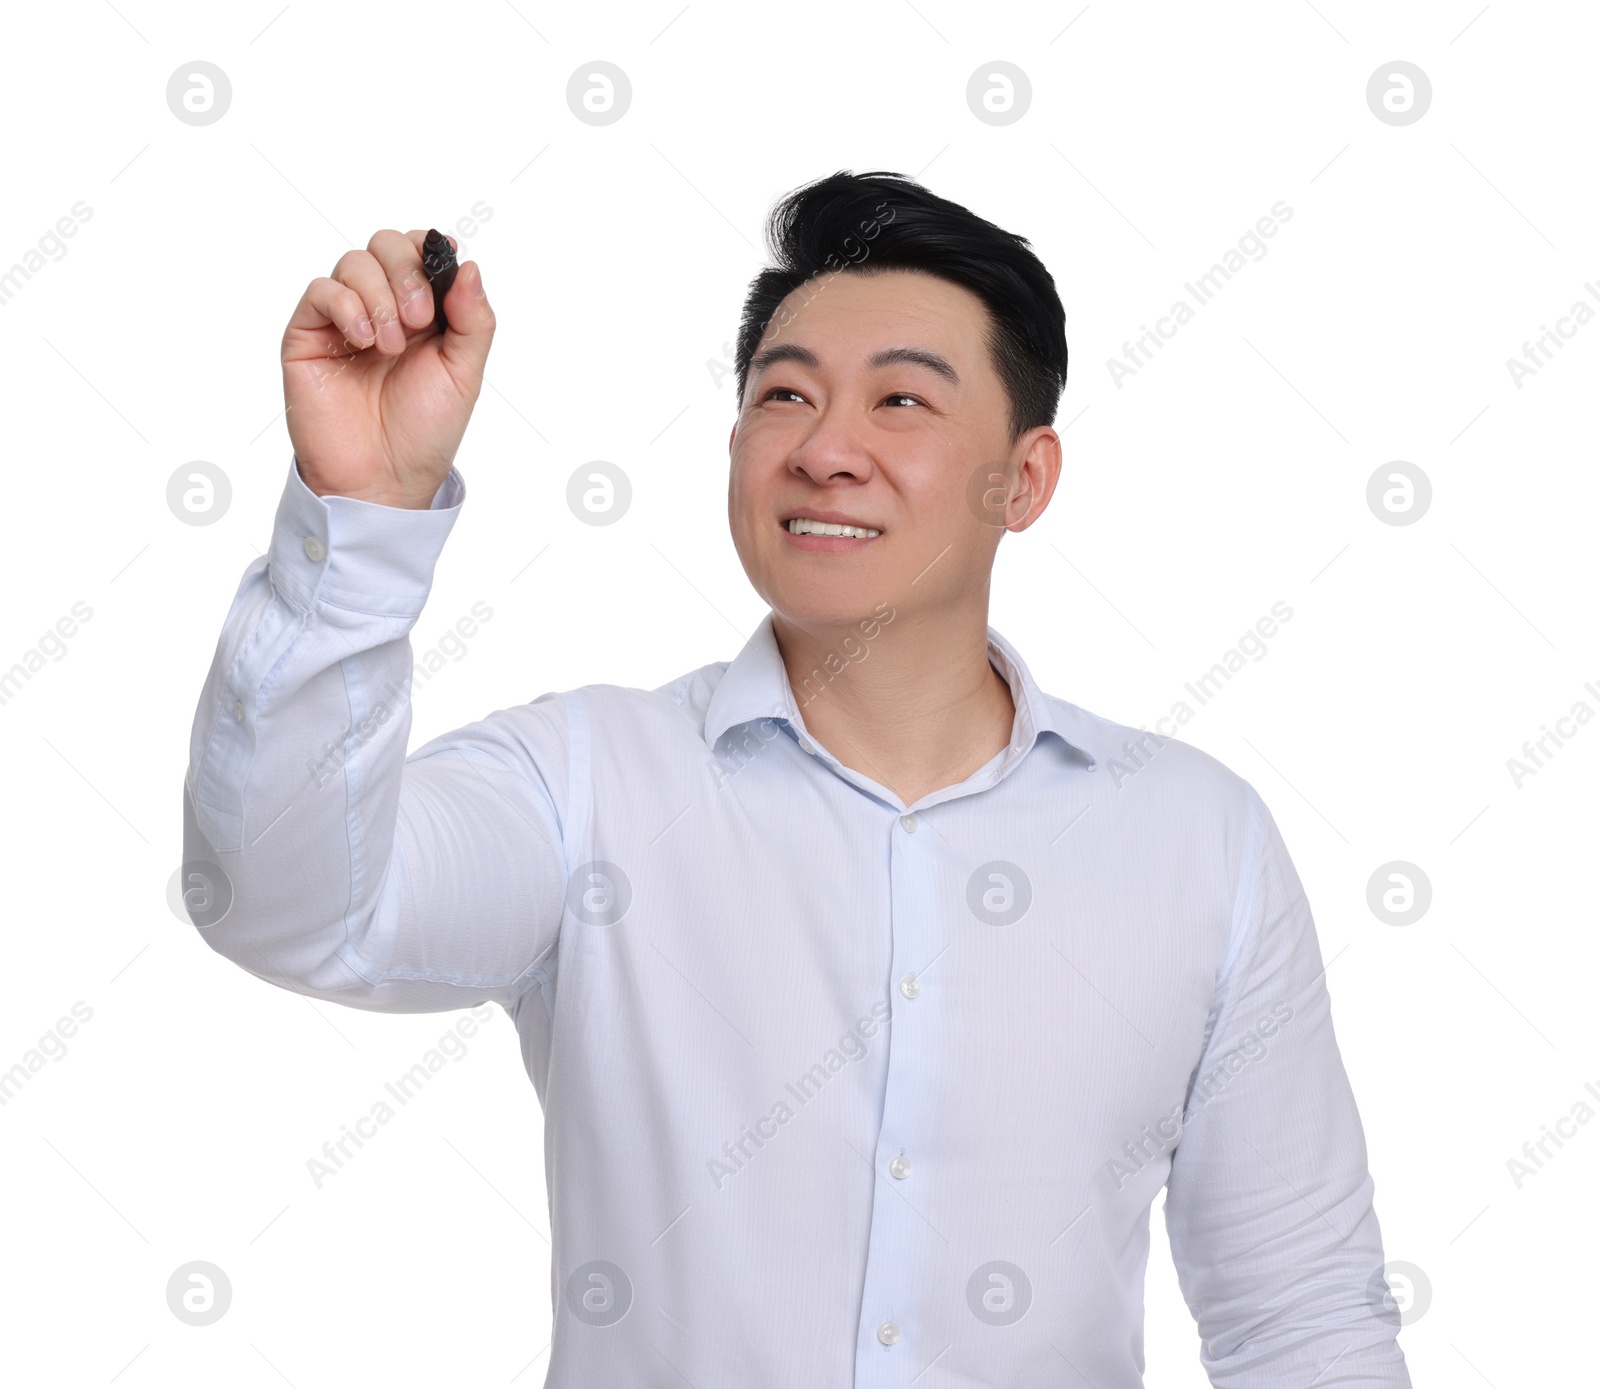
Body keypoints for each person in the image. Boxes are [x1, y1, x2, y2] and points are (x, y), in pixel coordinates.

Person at [182, 169, 1412, 1386]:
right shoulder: (587, 784)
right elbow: (292, 908)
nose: (827, 450)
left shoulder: (1195, 842)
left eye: (901, 402)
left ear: (1022, 480)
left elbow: (1300, 1318)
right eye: (785, 395)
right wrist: (361, 515)